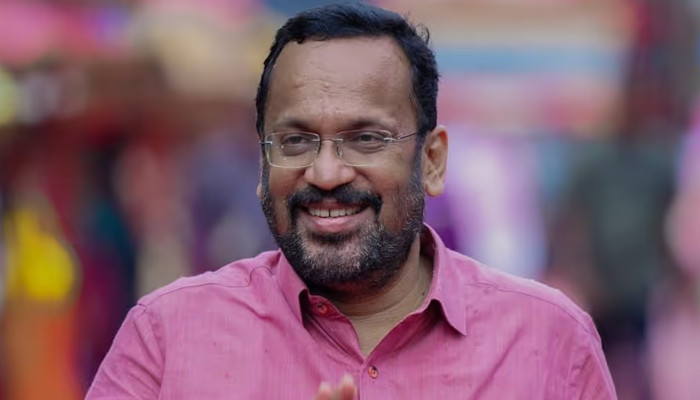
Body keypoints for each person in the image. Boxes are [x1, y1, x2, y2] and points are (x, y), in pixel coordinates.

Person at [86, 3, 615, 399]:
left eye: (365, 139)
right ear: (262, 164)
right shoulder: (169, 335)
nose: (326, 173)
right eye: (295, 141)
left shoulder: (547, 341)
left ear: (432, 161)